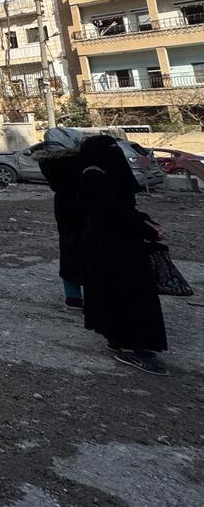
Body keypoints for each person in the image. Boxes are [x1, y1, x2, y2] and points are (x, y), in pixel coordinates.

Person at [77, 135, 168, 375]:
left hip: (117, 242)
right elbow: (112, 212)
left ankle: (124, 340)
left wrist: (144, 221)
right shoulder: (94, 176)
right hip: (110, 244)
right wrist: (146, 229)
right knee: (125, 294)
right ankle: (129, 346)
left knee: (119, 293)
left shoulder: (100, 174)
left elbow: (122, 208)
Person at [35, 128, 87, 307]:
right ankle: (93, 293)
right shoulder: (77, 162)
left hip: (63, 208)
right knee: (90, 251)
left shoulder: (46, 162)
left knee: (68, 248)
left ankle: (72, 295)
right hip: (82, 206)